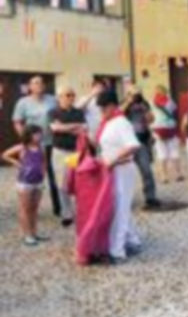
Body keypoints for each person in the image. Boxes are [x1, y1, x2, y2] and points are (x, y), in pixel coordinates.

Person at [96, 91, 142, 262]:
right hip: (112, 168)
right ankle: (133, 240)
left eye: (104, 108)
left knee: (120, 209)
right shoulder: (108, 122)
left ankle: (117, 250)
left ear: (112, 106)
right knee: (120, 206)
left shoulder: (121, 123)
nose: (102, 111)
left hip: (122, 168)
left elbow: (133, 145)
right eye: (100, 108)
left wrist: (112, 160)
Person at [12, 75, 60, 217]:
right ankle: (29, 208)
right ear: (30, 87)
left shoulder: (52, 100)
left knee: (53, 176)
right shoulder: (23, 102)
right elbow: (17, 121)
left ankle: (58, 208)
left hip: (50, 142)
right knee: (30, 174)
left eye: (41, 83)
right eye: (35, 83)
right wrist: (25, 139)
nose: (39, 85)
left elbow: (59, 115)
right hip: (32, 146)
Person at [2, 126, 48, 246]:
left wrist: (43, 172)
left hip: (38, 182)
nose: (39, 136)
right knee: (25, 208)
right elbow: (5, 154)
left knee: (34, 208)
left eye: (40, 134)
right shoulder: (22, 148)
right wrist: (16, 163)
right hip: (25, 182)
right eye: (36, 134)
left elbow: (44, 161)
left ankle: (34, 232)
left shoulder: (40, 148)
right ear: (29, 135)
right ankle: (27, 234)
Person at [48, 86, 86, 227]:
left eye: (72, 95)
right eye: (67, 95)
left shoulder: (78, 112)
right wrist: (74, 127)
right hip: (60, 151)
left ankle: (82, 210)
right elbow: (55, 128)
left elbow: (83, 129)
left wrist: (65, 127)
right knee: (62, 184)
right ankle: (67, 213)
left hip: (75, 152)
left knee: (77, 182)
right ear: (60, 97)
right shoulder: (53, 112)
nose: (71, 97)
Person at [121, 86, 160, 209]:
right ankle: (124, 199)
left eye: (138, 92)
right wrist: (128, 102)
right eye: (132, 93)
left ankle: (150, 197)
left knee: (146, 170)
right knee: (124, 174)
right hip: (126, 143)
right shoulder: (124, 103)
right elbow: (119, 115)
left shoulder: (144, 103)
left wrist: (146, 111)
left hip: (141, 141)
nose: (136, 95)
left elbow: (151, 120)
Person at [151, 85, 183, 184]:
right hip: (171, 128)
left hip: (158, 129)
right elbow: (176, 115)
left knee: (162, 154)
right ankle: (178, 174)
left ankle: (164, 177)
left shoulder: (152, 102)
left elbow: (150, 116)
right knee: (174, 152)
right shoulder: (171, 102)